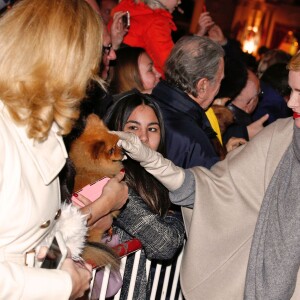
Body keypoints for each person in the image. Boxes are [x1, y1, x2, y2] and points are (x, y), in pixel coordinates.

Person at [115, 51, 300, 299]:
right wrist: (151, 160)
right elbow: (211, 188)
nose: (290, 103)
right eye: (291, 91)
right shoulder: (279, 137)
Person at [0, 0, 125, 299]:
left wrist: (65, 264)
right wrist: (61, 285)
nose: (90, 77)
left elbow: (38, 233)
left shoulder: (43, 128)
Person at [104, 90, 185, 299]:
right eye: (132, 128)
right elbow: (165, 244)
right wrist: (182, 219)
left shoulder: (161, 179)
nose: (143, 138)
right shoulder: (109, 180)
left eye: (152, 128)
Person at [150, 35, 244, 168]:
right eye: (219, 80)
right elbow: (209, 186)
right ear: (202, 86)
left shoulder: (141, 104)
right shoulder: (195, 142)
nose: (219, 88)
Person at [109, 0, 181, 75]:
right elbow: (171, 67)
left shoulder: (127, 9)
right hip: (137, 80)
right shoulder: (156, 22)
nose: (179, 2)